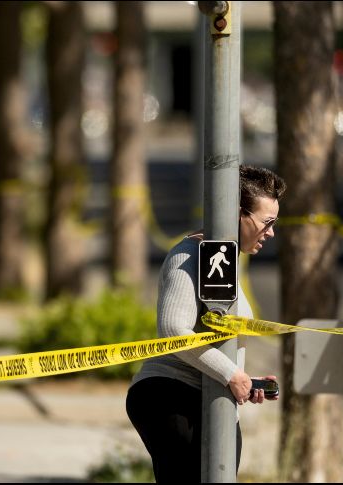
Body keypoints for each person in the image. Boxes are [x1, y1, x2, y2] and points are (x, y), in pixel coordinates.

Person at [125, 165, 286, 483]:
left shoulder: (223, 261)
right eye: (267, 222)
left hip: (205, 395)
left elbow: (213, 334)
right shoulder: (188, 256)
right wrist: (229, 374)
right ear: (236, 213)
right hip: (171, 395)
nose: (271, 233)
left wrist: (243, 379)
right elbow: (173, 329)